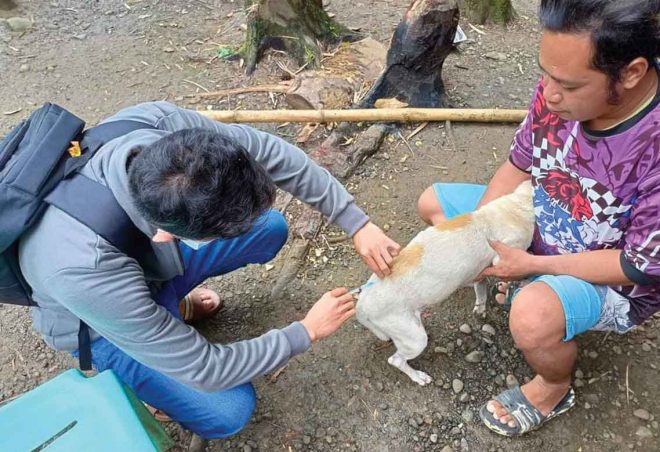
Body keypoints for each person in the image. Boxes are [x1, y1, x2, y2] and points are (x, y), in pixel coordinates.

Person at [18, 101, 401, 439]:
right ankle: (141, 373)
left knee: (268, 229)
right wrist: (305, 331)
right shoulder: (83, 268)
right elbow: (207, 369)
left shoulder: (171, 134)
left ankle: (172, 308)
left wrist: (357, 223)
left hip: (137, 273)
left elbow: (274, 154)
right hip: (100, 323)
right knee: (227, 413)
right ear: (167, 236)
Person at [417, 0, 660, 437]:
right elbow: (518, 164)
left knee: (530, 318)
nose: (546, 94)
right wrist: (480, 237)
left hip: (612, 278)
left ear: (631, 73)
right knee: (433, 205)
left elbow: (637, 266)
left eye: (565, 83)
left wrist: (531, 266)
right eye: (544, 73)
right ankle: (526, 281)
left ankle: (553, 385)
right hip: (542, 219)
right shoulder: (560, 90)